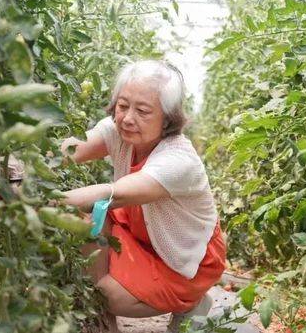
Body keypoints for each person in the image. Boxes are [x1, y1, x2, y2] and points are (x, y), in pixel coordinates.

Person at [60, 60, 226, 333]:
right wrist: (23, 161)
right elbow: (71, 150)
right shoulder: (117, 130)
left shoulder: (178, 160)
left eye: (143, 111)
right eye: (123, 106)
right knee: (85, 221)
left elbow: (112, 194)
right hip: (139, 235)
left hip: (184, 260)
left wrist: (43, 198)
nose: (127, 118)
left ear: (168, 119)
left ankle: (190, 301)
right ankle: (102, 323)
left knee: (107, 295)